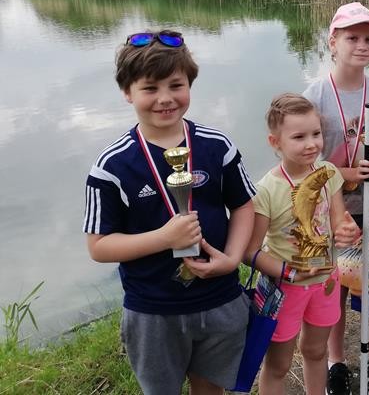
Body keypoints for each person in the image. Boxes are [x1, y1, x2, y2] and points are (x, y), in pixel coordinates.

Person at [83, 30, 256, 395]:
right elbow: (99, 246)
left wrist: (232, 259)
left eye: (176, 85)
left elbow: (243, 205)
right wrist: (164, 238)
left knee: (211, 390)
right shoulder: (111, 166)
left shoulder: (217, 145)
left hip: (220, 296)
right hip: (152, 309)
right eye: (150, 88)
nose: (165, 98)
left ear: (190, 85)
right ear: (127, 92)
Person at [302, 2, 369, 395]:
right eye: (352, 37)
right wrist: (342, 174)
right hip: (329, 215)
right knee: (334, 293)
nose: (362, 45)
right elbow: (302, 166)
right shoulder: (313, 97)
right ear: (333, 42)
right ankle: (336, 362)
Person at [244, 94, 361, 395]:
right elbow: (250, 252)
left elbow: (338, 221)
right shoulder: (266, 190)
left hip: (326, 282)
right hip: (285, 290)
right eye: (299, 137)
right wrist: (290, 273)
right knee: (278, 365)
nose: (311, 144)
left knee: (316, 351)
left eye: (316, 134)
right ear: (275, 142)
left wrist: (347, 230)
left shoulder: (329, 174)